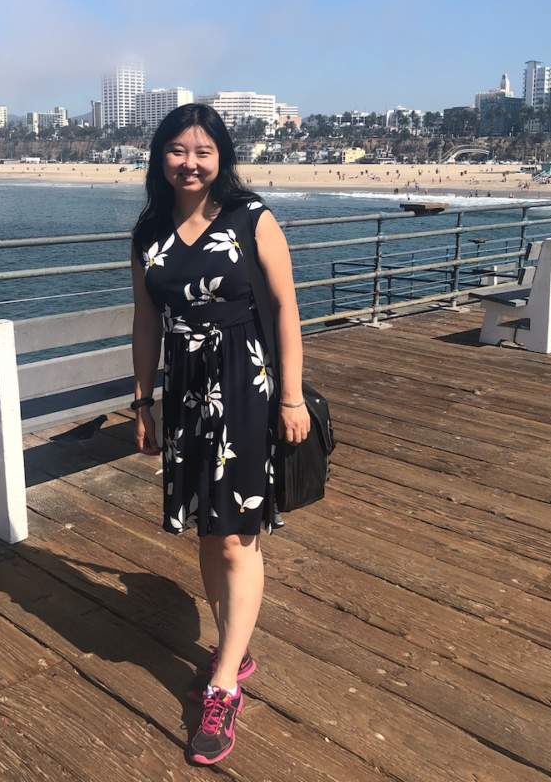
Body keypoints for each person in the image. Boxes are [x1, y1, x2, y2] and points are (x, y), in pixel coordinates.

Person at [131, 104, 309, 766]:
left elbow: (287, 308)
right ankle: (230, 646)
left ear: (221, 157)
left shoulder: (252, 218)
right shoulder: (148, 230)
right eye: (177, 150)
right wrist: (143, 399)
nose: (190, 162)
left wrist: (290, 396)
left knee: (236, 540)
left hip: (244, 384)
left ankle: (224, 684)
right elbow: (144, 321)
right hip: (180, 389)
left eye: (203, 151)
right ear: (159, 157)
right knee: (206, 530)